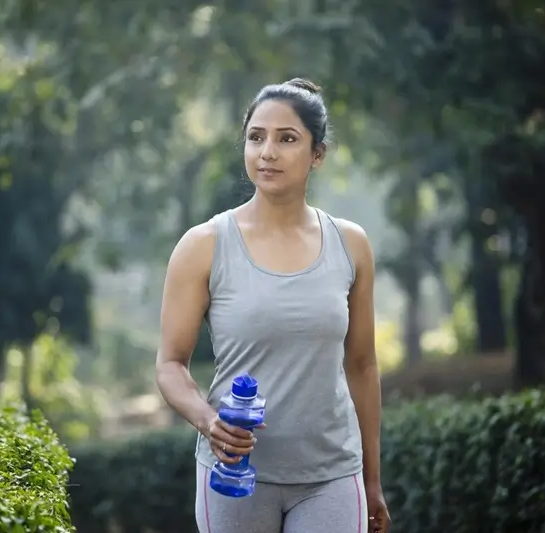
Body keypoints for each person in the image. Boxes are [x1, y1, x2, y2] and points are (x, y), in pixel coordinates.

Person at [155, 77, 391, 533]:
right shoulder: (203, 245)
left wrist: (372, 480)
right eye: (256, 137)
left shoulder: (351, 245)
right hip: (234, 475)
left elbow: (362, 366)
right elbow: (169, 365)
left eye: (287, 139)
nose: (268, 152)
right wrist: (209, 421)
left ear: (317, 154)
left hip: (332, 475)